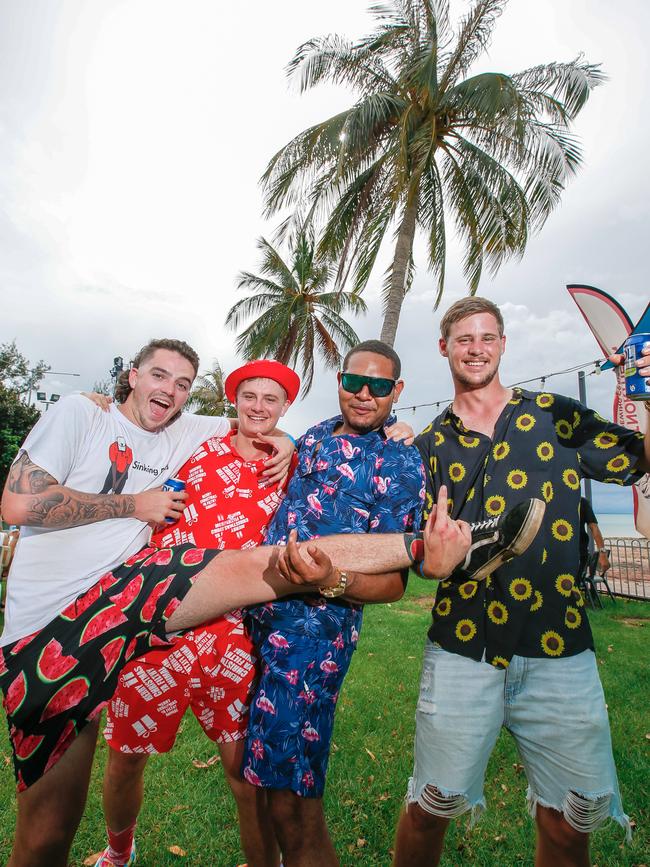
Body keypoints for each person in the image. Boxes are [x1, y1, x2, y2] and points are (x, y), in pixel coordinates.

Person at [0, 334, 533, 867]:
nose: (171, 390)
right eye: (160, 375)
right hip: (86, 619)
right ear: (133, 374)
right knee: (60, 818)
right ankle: (119, 851)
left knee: (273, 577)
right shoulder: (115, 420)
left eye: (183, 383)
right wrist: (131, 488)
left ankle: (446, 545)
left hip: (212, 620)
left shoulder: (270, 440)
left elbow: (289, 438)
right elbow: (20, 501)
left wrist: (380, 436)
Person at [392, 297, 650, 867]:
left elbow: (637, 460)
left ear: (504, 345)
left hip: (560, 645)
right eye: (464, 339)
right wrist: (432, 562)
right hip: (463, 644)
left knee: (569, 821)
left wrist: (647, 400)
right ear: (444, 348)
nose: (476, 348)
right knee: (430, 810)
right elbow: (416, 552)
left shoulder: (553, 415)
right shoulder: (428, 446)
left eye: (487, 337)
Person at [95, 359, 300, 867]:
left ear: (285, 406)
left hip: (232, 635)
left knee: (244, 774)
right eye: (249, 396)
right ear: (234, 400)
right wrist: (101, 407)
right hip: (159, 624)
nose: (258, 407)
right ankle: (119, 852)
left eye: (271, 399)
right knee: (124, 759)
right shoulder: (194, 446)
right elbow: (137, 431)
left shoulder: (293, 465)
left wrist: (294, 441)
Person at [240, 340, 421, 866]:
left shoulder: (402, 464)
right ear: (339, 381)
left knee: (293, 803)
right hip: (252, 620)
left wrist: (333, 578)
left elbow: (394, 585)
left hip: (311, 642)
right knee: (264, 787)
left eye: (380, 386)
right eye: (354, 382)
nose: (365, 394)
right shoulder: (316, 435)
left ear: (397, 392)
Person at [578, 495, 610, 577]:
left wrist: (602, 553)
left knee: (574, 585)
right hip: (556, 553)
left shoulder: (582, 502)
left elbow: (594, 527)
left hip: (579, 554)